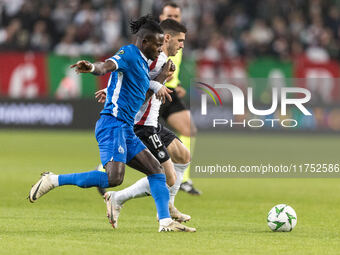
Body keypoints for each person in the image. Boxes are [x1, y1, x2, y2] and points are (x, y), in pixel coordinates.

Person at [28, 15, 195, 233]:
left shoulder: (146, 66)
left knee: (156, 171)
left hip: (126, 129)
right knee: (113, 178)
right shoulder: (129, 53)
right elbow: (107, 65)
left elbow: (140, 98)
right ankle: (53, 180)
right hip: (112, 124)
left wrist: (161, 78)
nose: (160, 48)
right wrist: (91, 68)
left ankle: (165, 222)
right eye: (157, 44)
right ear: (145, 42)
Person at [95, 19, 192, 227]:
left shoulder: (163, 59)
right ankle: (121, 199)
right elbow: (136, 78)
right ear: (167, 38)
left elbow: (138, 78)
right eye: (180, 41)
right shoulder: (154, 59)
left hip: (152, 121)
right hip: (141, 124)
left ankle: (169, 205)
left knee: (183, 155)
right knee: (167, 177)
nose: (182, 45)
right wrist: (158, 82)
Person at [159, 2, 201, 195]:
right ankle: (104, 170)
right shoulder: (154, 40)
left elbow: (171, 69)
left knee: (189, 129)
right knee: (132, 135)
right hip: (153, 91)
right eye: (169, 16)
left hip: (170, 91)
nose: (173, 19)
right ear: (161, 17)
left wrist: (177, 85)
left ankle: (183, 179)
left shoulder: (178, 39)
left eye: (176, 16)